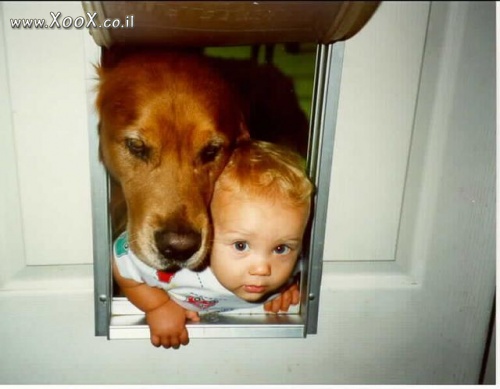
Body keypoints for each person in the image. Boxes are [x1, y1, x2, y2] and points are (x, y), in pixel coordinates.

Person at [112, 140, 314, 348]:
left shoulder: (292, 265)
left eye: (280, 249)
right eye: (241, 245)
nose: (262, 269)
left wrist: (287, 289)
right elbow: (122, 265)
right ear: (207, 230)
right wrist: (158, 306)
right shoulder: (177, 268)